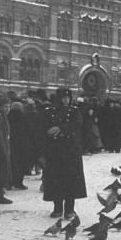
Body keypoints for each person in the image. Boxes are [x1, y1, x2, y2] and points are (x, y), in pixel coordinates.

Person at [42, 88, 87, 219]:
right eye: (63, 98)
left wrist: (61, 128)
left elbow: (77, 124)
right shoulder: (50, 112)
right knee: (56, 180)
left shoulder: (74, 111)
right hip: (55, 151)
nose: (66, 100)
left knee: (70, 181)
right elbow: (44, 126)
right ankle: (57, 208)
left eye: (68, 98)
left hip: (71, 151)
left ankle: (69, 210)